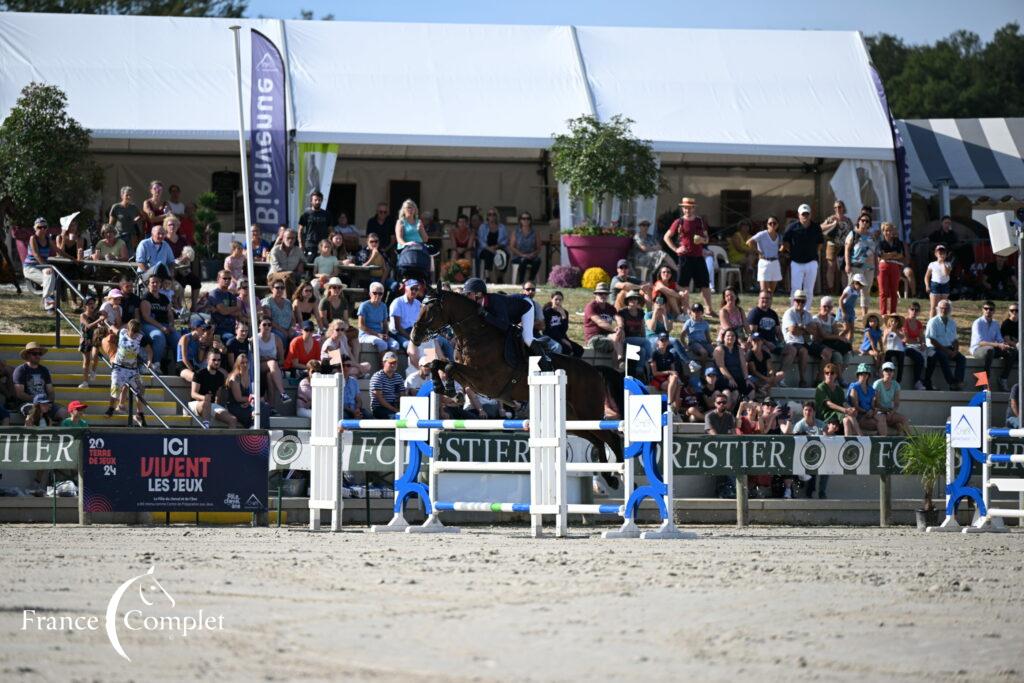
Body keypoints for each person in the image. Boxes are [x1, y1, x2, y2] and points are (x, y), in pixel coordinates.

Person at [463, 277, 552, 370]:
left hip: (525, 306)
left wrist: (486, 315)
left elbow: (504, 325)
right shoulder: (480, 305)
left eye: (469, 294)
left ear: (479, 293)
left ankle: (545, 363)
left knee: (527, 338)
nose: (466, 296)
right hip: (512, 313)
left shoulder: (495, 301)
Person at [663, 197, 712, 311]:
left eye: (690, 208)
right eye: (685, 208)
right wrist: (676, 249)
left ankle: (709, 309)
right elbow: (666, 237)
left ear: (694, 208)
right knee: (683, 285)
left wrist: (702, 240)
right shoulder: (679, 222)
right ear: (683, 209)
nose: (687, 210)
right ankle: (686, 308)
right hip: (684, 257)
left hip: (699, 257)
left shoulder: (700, 221)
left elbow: (707, 239)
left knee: (705, 284)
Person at [104, 320, 152, 427]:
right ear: (128, 329)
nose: (133, 334)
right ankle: (111, 407)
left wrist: (149, 360)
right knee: (115, 386)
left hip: (132, 370)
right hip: (119, 367)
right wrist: (107, 322)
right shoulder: (122, 332)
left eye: (136, 332)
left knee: (140, 389)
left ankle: (139, 414)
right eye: (132, 331)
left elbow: (149, 350)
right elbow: (112, 328)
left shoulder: (141, 338)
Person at [782, 203, 825, 307]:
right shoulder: (792, 227)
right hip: (796, 262)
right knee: (795, 288)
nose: (805, 216)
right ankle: (794, 309)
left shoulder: (816, 227)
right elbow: (785, 241)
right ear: (799, 215)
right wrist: (791, 251)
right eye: (803, 214)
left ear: (810, 215)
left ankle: (806, 311)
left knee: (809, 289)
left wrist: (815, 253)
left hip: (811, 262)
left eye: (807, 214)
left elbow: (820, 243)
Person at [970, 300, 1017, 392]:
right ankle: (984, 382)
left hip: (992, 349)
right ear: (982, 310)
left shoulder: (995, 323)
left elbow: (999, 339)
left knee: (1012, 352)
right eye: (986, 308)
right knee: (989, 350)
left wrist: (1004, 345)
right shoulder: (978, 323)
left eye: (991, 309)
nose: (988, 311)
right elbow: (980, 342)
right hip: (977, 349)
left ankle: (1003, 379)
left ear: (994, 311)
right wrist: (997, 344)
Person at [13, 341, 63, 420]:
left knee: (63, 413)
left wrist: (49, 402)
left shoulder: (44, 370)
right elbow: (20, 394)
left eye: (39, 354)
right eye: (34, 354)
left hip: (45, 403)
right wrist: (38, 402)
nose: (38, 356)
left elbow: (51, 391)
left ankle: (58, 432)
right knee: (35, 412)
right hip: (27, 403)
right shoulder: (20, 370)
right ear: (27, 355)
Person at [139, 274, 178, 373]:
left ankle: (180, 365)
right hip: (148, 325)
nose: (155, 284)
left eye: (157, 282)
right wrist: (161, 327)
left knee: (177, 337)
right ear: (148, 284)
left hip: (164, 325)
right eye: (152, 282)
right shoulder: (146, 297)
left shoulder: (164, 298)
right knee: (159, 336)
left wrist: (171, 325)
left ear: (160, 284)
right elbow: (146, 317)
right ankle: (155, 364)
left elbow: (170, 314)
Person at [925, 299, 966, 391]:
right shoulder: (933, 321)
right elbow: (932, 340)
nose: (944, 310)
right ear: (938, 309)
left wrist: (955, 351)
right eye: (941, 308)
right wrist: (947, 351)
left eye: (946, 308)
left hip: (948, 347)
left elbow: (955, 340)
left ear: (950, 309)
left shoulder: (952, 322)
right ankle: (952, 383)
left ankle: (958, 381)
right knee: (943, 356)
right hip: (934, 348)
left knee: (961, 358)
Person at [189, 349, 236, 428]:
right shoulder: (199, 373)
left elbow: (218, 395)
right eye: (214, 360)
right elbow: (193, 394)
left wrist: (217, 407)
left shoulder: (220, 376)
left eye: (219, 360)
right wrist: (205, 398)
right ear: (207, 360)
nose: (217, 362)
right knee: (206, 402)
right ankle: (206, 428)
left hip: (210, 404)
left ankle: (229, 439)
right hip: (196, 404)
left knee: (233, 419)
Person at [844, 214, 877, 318]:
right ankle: (847, 312)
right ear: (858, 221)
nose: (865, 223)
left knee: (866, 291)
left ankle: (864, 315)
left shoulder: (872, 236)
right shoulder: (853, 234)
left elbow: (875, 252)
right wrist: (847, 264)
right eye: (863, 220)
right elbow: (847, 250)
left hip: (869, 267)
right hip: (855, 266)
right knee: (852, 290)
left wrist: (876, 267)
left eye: (867, 221)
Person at [164, 215, 200, 309]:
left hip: (182, 268)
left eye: (174, 225)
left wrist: (186, 257)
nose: (172, 226)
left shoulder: (182, 239)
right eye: (170, 225)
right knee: (182, 281)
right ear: (166, 227)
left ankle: (194, 306)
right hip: (170, 269)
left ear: (178, 226)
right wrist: (177, 260)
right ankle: (179, 306)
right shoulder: (163, 240)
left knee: (196, 281)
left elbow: (189, 252)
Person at [811, 296, 851, 379]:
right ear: (820, 307)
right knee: (837, 356)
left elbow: (836, 334)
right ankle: (838, 379)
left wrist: (842, 333)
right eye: (824, 306)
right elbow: (823, 336)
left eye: (829, 307)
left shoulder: (832, 319)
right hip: (819, 344)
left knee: (848, 355)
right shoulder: (815, 319)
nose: (826, 308)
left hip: (830, 344)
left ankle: (836, 377)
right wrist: (837, 337)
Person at [791, 401, 825, 498]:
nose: (807, 412)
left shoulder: (821, 424)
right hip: (801, 455)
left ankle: (819, 492)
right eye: (805, 410)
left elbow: (826, 438)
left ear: (814, 412)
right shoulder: (799, 425)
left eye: (810, 410)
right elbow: (795, 441)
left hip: (817, 454)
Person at [22, 217, 57, 311]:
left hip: (42, 267)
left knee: (50, 277)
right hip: (30, 267)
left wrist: (72, 258)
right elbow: (36, 255)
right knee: (50, 278)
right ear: (35, 228)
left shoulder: (48, 238)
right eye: (39, 227)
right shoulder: (33, 238)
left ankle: (47, 301)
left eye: (44, 227)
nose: (42, 229)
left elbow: (58, 250)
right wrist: (46, 266)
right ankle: (48, 302)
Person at [358, 281, 400, 357]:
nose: (377, 295)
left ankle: (393, 366)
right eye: (375, 293)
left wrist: (386, 334)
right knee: (382, 344)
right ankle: (384, 367)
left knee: (395, 344)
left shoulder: (383, 306)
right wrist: (377, 334)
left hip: (379, 334)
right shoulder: (364, 306)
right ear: (370, 294)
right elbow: (361, 325)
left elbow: (385, 324)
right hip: (366, 335)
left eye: (380, 293)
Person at [815, 362, 858, 435]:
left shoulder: (839, 389)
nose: (829, 375)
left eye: (832, 373)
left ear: (836, 375)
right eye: (827, 373)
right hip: (825, 416)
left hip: (837, 415)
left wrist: (850, 409)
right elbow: (829, 404)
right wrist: (845, 410)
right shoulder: (821, 387)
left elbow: (844, 403)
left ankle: (849, 441)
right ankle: (860, 436)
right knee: (847, 416)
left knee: (847, 419)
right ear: (824, 374)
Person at [821, 200, 854, 294]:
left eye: (839, 207)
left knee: (844, 269)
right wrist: (832, 224)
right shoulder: (831, 218)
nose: (837, 209)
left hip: (844, 246)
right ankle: (831, 290)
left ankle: (845, 291)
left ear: (843, 208)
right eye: (835, 207)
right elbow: (821, 227)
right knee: (831, 267)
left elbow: (852, 233)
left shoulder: (848, 220)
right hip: (832, 244)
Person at [781, 290, 813, 387]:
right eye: (798, 300)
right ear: (793, 301)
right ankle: (801, 379)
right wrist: (805, 329)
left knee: (826, 352)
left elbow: (813, 330)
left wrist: (800, 327)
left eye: (802, 301)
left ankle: (821, 379)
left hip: (806, 341)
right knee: (803, 351)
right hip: (792, 341)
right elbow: (793, 331)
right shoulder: (789, 313)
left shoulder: (808, 314)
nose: (800, 303)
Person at [876, 221, 909, 315]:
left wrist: (888, 255)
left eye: (890, 230)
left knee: (894, 292)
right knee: (883, 292)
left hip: (895, 266)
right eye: (886, 230)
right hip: (883, 267)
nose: (888, 232)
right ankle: (883, 313)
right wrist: (893, 254)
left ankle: (893, 312)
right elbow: (880, 255)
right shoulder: (881, 243)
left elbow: (901, 255)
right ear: (883, 232)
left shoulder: (898, 242)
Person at [615, 290, 649, 377]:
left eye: (635, 299)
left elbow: (642, 327)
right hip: (626, 339)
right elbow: (620, 324)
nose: (633, 301)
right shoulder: (622, 312)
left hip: (637, 340)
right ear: (627, 301)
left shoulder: (640, 312)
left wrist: (644, 337)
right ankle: (650, 360)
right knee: (646, 342)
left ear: (638, 300)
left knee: (642, 350)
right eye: (630, 299)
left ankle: (639, 372)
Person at [746, 216, 783, 294]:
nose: (772, 225)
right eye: (770, 223)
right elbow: (749, 242)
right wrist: (759, 252)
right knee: (764, 291)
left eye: (774, 223)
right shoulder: (762, 234)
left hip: (775, 262)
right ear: (767, 225)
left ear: (777, 225)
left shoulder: (779, 236)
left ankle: (768, 305)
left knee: (771, 291)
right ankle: (762, 305)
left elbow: (781, 246)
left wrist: (781, 250)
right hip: (764, 262)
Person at [255, 317, 289, 404]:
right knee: (272, 362)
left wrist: (272, 362)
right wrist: (267, 359)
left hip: (273, 368)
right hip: (259, 367)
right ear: (259, 326)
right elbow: (253, 360)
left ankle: (271, 407)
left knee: (270, 376)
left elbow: (281, 360)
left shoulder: (277, 339)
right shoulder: (255, 339)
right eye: (264, 324)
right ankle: (283, 393)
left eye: (269, 325)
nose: (267, 327)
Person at [713, 327, 751, 402]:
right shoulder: (719, 349)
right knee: (733, 393)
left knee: (751, 389)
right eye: (728, 336)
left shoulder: (739, 349)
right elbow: (721, 366)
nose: (730, 337)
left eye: (733, 336)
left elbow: (743, 365)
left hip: (738, 376)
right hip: (724, 378)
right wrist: (730, 378)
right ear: (724, 337)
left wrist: (746, 378)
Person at [223, 352, 259, 428]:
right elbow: (238, 398)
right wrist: (252, 399)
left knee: (264, 406)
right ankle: (251, 429)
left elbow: (258, 395)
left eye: (247, 362)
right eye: (242, 363)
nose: (245, 365)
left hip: (248, 403)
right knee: (249, 411)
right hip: (235, 405)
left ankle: (264, 431)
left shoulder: (252, 376)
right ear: (238, 364)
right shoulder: (235, 377)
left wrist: (250, 401)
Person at [543, 291, 584, 358]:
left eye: (560, 300)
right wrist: (561, 339)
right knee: (566, 349)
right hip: (551, 337)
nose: (558, 302)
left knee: (579, 349)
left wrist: (564, 317)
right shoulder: (546, 312)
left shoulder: (565, 312)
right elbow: (547, 330)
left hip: (562, 337)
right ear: (551, 299)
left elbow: (564, 330)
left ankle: (573, 367)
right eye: (556, 299)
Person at [582, 281, 619, 354]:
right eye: (600, 293)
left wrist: (620, 326)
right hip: (594, 339)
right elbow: (600, 322)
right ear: (595, 294)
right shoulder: (591, 306)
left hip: (607, 336)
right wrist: (614, 329)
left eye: (605, 293)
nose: (603, 296)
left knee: (623, 341)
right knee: (616, 344)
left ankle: (627, 364)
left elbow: (618, 317)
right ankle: (619, 363)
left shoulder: (610, 307)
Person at [874, 361, 910, 435]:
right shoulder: (877, 384)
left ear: (893, 373)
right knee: (883, 419)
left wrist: (891, 412)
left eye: (891, 370)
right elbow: (876, 403)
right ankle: (883, 440)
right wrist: (888, 412)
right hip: (879, 411)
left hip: (889, 412)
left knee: (904, 419)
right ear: (882, 372)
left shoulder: (896, 385)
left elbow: (896, 403)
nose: (889, 372)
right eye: (886, 370)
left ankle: (910, 440)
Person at [649, 333, 682, 410]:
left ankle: (670, 404)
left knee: (676, 379)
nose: (663, 342)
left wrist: (673, 375)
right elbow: (654, 373)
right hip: (657, 379)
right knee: (677, 386)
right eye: (662, 340)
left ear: (668, 342)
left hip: (668, 379)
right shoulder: (654, 354)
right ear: (658, 342)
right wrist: (668, 372)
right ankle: (673, 407)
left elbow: (673, 371)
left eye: (665, 340)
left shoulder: (670, 355)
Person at [389, 278, 422, 353]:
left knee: (433, 344)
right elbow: (397, 327)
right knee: (410, 346)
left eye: (416, 289)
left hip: (414, 332)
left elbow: (421, 323)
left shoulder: (418, 304)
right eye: (412, 288)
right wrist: (411, 338)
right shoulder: (397, 302)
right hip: (400, 333)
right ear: (406, 289)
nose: (414, 291)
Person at [208, 270, 241, 343]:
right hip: (219, 330)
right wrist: (235, 308)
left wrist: (218, 310)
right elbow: (224, 311)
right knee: (232, 339)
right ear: (218, 279)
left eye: (229, 279)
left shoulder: (231, 295)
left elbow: (237, 313)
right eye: (225, 278)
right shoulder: (214, 294)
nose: (227, 280)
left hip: (232, 328)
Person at [369, 351, 405, 418]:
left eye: (395, 362)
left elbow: (402, 396)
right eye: (390, 363)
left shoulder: (399, 377)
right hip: (380, 408)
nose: (393, 365)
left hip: (395, 406)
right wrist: (395, 410)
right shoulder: (377, 377)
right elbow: (380, 399)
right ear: (384, 363)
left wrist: (401, 409)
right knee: (393, 417)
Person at [475, 210, 509, 283]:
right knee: (488, 254)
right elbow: (480, 240)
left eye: (494, 214)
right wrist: (489, 248)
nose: (492, 216)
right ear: (487, 216)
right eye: (489, 214)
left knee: (506, 255)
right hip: (484, 249)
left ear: (497, 216)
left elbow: (505, 240)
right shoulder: (483, 227)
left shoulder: (502, 227)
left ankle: (500, 277)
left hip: (498, 248)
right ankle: (488, 277)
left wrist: (497, 246)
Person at [77, 296, 103, 388]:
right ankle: (85, 381)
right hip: (86, 339)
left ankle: (94, 371)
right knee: (86, 361)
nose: (92, 305)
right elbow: (88, 326)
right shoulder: (83, 315)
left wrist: (101, 316)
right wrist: (99, 319)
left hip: (95, 338)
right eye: (89, 304)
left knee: (95, 354)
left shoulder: (96, 314)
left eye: (93, 303)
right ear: (85, 306)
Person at [298, 190, 332, 260]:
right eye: (315, 200)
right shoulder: (305, 215)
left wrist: (329, 243)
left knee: (322, 265)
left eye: (319, 200)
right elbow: (300, 230)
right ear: (311, 201)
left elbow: (331, 230)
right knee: (309, 265)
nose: (317, 202)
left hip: (323, 244)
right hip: (310, 244)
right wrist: (301, 244)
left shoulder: (327, 214)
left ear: (322, 201)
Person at [508, 212, 541, 283]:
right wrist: (522, 255)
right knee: (523, 260)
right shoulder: (516, 232)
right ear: (520, 220)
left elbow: (538, 248)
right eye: (523, 218)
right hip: (518, 256)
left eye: (528, 218)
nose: (526, 220)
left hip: (531, 256)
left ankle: (530, 281)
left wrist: (532, 254)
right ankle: (521, 282)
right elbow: (512, 247)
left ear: (530, 220)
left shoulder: (535, 232)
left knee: (537, 260)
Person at [108, 185, 142, 250]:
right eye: (127, 195)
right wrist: (110, 237)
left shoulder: (134, 207)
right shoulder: (116, 207)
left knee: (130, 256)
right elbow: (110, 224)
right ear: (122, 196)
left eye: (131, 195)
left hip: (131, 237)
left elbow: (141, 216)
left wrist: (135, 220)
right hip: (119, 236)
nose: (129, 197)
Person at [176, 319, 209, 383]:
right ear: (196, 328)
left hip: (192, 364)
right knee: (196, 378)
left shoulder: (198, 341)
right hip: (182, 365)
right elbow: (184, 358)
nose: (204, 331)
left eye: (205, 329)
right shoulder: (185, 337)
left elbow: (199, 359)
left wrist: (202, 345)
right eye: (203, 329)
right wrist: (193, 370)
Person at [924, 244, 952, 318]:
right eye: (939, 253)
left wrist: (942, 263)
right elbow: (927, 276)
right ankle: (931, 323)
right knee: (933, 306)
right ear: (936, 254)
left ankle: (941, 321)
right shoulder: (932, 264)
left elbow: (946, 273)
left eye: (943, 253)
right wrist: (927, 285)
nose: (941, 254)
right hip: (935, 284)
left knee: (943, 307)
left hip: (945, 285)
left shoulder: (948, 264)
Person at [727, 220, 757, 287]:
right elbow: (739, 248)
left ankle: (748, 286)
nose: (746, 227)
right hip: (735, 257)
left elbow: (754, 248)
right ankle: (748, 285)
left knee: (751, 261)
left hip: (746, 258)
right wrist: (749, 251)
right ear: (740, 227)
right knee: (750, 262)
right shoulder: (736, 236)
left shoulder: (750, 237)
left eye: (747, 226)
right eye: (744, 225)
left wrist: (749, 251)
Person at [839, 274, 865, 342]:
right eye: (861, 285)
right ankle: (836, 339)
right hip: (844, 310)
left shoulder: (856, 291)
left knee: (852, 330)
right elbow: (841, 300)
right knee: (846, 329)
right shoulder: (849, 289)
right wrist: (843, 312)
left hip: (851, 311)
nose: (861, 287)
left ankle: (849, 345)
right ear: (855, 283)